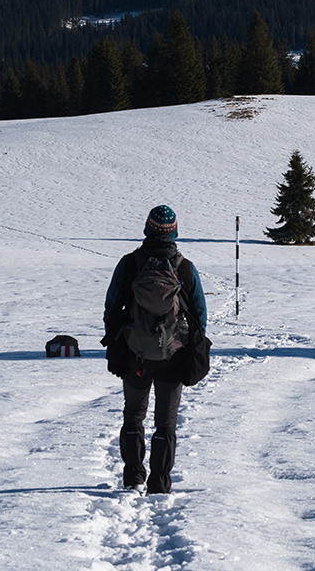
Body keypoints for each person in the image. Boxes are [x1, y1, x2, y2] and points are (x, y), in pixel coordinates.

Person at [103, 205, 208, 493]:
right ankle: (160, 483)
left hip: (135, 353)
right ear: (174, 231)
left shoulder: (128, 264)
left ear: (147, 229)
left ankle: (133, 477)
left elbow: (111, 307)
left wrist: (117, 340)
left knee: (133, 415)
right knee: (166, 422)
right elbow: (200, 314)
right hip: (173, 355)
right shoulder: (185, 268)